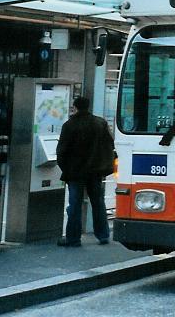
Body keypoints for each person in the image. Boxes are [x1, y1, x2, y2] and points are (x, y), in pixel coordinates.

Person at [56, 97, 115, 247]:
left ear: (75, 107)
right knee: (98, 202)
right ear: (88, 106)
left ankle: (73, 238)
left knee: (74, 204)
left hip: (75, 172)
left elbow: (61, 151)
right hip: (95, 171)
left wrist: (66, 169)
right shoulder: (100, 123)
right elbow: (109, 143)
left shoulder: (69, 125)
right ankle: (103, 235)